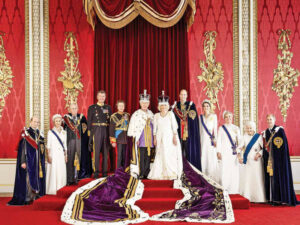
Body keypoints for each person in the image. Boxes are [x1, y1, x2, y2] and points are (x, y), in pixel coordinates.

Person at [8, 116, 46, 205]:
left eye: (38, 122)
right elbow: (23, 149)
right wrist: (23, 161)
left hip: (37, 162)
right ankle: (28, 197)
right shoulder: (26, 133)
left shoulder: (39, 133)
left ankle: (35, 196)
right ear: (30, 122)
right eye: (35, 121)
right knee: (29, 179)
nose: (36, 123)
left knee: (37, 178)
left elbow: (42, 148)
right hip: (29, 161)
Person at [262, 114, 298, 206]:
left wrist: (279, 157)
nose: (269, 121)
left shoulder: (279, 130)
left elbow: (283, 145)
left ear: (274, 120)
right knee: (271, 179)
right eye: (268, 119)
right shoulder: (266, 132)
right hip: (270, 160)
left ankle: (281, 199)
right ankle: (272, 199)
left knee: (279, 178)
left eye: (271, 119)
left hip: (279, 160)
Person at [148, 91, 183, 180]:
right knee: (160, 154)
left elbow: (174, 126)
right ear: (159, 106)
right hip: (160, 137)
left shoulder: (171, 114)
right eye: (162, 105)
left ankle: (171, 173)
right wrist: (154, 138)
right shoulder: (156, 115)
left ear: (167, 106)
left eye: (165, 105)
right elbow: (154, 129)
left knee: (169, 154)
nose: (163, 107)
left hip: (170, 137)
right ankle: (161, 173)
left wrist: (175, 137)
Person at [128, 89, 154, 179]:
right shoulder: (136, 114)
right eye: (143, 103)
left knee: (148, 156)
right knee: (141, 156)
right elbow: (133, 127)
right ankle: (141, 172)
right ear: (140, 103)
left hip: (149, 139)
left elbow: (154, 127)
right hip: (141, 139)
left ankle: (147, 172)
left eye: (146, 103)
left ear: (148, 104)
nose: (145, 105)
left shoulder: (151, 114)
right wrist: (136, 138)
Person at [173, 89, 201, 171]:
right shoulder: (175, 106)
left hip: (188, 133)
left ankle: (189, 170)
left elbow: (193, 119)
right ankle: (178, 170)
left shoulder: (191, 105)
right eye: (181, 94)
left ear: (187, 96)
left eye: (184, 94)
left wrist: (187, 121)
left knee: (188, 152)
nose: (183, 96)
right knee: (179, 152)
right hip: (178, 133)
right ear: (179, 95)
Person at [63, 103, 90, 185]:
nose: (74, 110)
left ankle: (79, 177)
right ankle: (70, 179)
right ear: (70, 110)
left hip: (79, 141)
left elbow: (85, 130)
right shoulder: (66, 118)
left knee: (79, 158)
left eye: (75, 108)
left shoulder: (82, 117)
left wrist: (85, 142)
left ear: (78, 109)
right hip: (70, 141)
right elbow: (63, 131)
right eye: (72, 108)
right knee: (70, 159)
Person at [239, 121, 266, 203]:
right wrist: (239, 156)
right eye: (247, 128)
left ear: (253, 128)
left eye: (250, 128)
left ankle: (259, 198)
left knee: (257, 178)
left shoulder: (258, 137)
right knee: (248, 179)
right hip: (247, 161)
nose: (249, 129)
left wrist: (259, 154)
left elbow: (264, 148)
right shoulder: (244, 136)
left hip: (256, 161)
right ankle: (248, 197)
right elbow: (239, 147)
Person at [87, 90, 112, 178]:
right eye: (100, 96)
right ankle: (96, 172)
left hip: (105, 130)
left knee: (106, 152)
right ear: (97, 97)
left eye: (103, 96)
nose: (102, 98)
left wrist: (111, 134)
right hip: (96, 130)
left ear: (105, 97)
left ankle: (105, 172)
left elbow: (111, 122)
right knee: (96, 152)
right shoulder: (92, 108)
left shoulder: (108, 107)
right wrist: (89, 133)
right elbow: (89, 120)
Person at [217, 111, 242, 194]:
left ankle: (234, 189)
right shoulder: (221, 128)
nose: (228, 118)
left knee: (234, 170)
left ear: (232, 118)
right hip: (224, 152)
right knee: (225, 170)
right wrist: (218, 151)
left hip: (233, 153)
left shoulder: (236, 128)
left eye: (230, 117)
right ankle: (225, 188)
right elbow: (219, 141)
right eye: (227, 117)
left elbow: (241, 141)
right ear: (224, 118)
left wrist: (238, 150)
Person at [46, 114, 67, 195]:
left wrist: (66, 155)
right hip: (53, 155)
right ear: (54, 122)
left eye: (59, 121)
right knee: (54, 171)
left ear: (61, 121)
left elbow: (65, 146)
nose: (58, 122)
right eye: (56, 121)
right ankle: (53, 189)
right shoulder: (50, 132)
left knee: (61, 171)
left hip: (61, 155)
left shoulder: (64, 132)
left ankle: (61, 188)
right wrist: (48, 156)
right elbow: (48, 146)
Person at [199, 99, 218, 181]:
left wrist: (215, 139)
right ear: (202, 108)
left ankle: (212, 176)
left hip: (210, 139)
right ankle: (204, 175)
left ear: (210, 107)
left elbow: (215, 130)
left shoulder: (213, 116)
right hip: (203, 139)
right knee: (204, 155)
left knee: (211, 156)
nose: (206, 107)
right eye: (204, 106)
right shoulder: (200, 117)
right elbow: (200, 130)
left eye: (207, 106)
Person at [109, 100, 130, 169]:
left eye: (122, 106)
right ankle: (118, 171)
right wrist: (113, 141)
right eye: (120, 106)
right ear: (117, 107)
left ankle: (124, 170)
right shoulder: (113, 116)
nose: (121, 107)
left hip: (126, 138)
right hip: (118, 138)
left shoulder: (127, 115)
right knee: (119, 156)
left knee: (125, 156)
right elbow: (111, 129)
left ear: (124, 107)